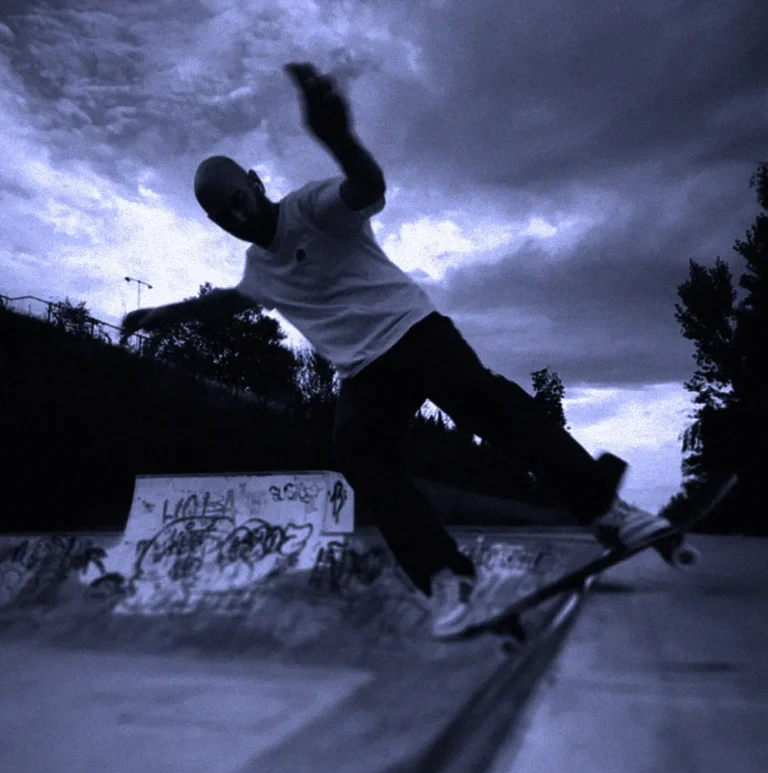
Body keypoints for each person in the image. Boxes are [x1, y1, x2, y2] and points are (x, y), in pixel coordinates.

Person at [122, 63, 672, 639]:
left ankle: (607, 513)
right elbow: (229, 305)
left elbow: (366, 188)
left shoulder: (311, 207)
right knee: (357, 452)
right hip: (365, 374)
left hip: (415, 332)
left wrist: (336, 137)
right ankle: (445, 576)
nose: (238, 218)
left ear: (255, 183)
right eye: (222, 217)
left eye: (239, 200)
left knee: (487, 406)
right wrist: (162, 314)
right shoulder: (259, 270)